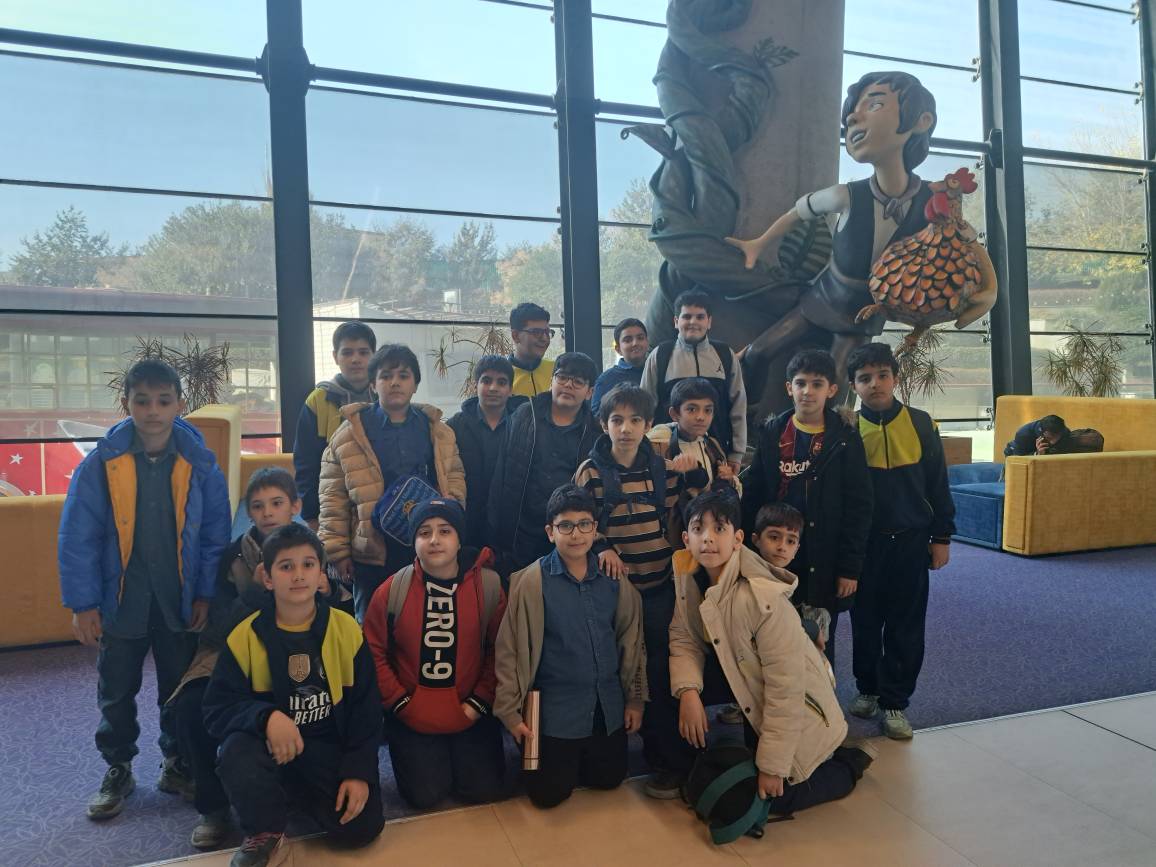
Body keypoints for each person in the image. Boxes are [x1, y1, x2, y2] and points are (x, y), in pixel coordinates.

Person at [58, 359, 231, 821]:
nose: (153, 411)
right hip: (121, 600)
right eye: (142, 401)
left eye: (163, 401)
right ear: (126, 403)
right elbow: (78, 536)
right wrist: (83, 604)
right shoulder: (102, 464)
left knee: (177, 687)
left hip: (178, 600)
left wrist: (205, 594)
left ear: (179, 404)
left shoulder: (200, 464)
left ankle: (177, 761)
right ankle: (118, 766)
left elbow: (215, 535)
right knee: (116, 689)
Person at [726, 72, 942, 402]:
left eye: (875, 104)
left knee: (838, 392)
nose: (853, 118)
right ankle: (747, 420)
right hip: (823, 298)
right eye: (851, 112)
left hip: (862, 316)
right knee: (756, 353)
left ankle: (832, 433)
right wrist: (758, 244)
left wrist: (983, 294)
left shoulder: (932, 201)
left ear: (922, 120)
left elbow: (965, 248)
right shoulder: (846, 195)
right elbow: (799, 210)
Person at [669, 490, 874, 816]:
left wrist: (773, 767)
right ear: (686, 539)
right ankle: (683, 762)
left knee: (771, 798)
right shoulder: (689, 579)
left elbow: (786, 688)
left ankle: (848, 763)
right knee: (667, 678)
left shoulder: (762, 598)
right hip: (748, 681)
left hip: (801, 705)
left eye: (719, 529)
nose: (707, 538)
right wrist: (688, 692)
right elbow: (683, 639)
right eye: (698, 529)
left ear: (737, 539)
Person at [204, 523, 384, 867]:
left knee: (362, 829)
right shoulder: (245, 636)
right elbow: (217, 709)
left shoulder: (346, 629)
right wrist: (266, 717)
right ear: (267, 577)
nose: (298, 575)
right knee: (235, 751)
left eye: (308, 565)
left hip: (325, 746)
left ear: (321, 574)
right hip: (271, 749)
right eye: (286, 566)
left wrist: (358, 772)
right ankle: (265, 830)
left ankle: (298, 797)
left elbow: (367, 709)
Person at [573, 384, 696, 799]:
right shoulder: (590, 472)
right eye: (617, 420)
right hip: (614, 593)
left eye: (635, 420)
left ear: (648, 424)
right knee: (615, 667)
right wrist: (602, 546)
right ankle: (609, 749)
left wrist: (696, 473)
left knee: (658, 670)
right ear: (603, 424)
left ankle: (666, 758)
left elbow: (688, 512)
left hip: (660, 586)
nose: (626, 429)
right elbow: (580, 522)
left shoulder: (663, 469)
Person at [494, 484, 646, 809]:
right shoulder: (531, 583)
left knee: (609, 779)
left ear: (595, 529)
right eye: (565, 525)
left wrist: (635, 700)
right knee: (548, 795)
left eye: (584, 524)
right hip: (556, 712)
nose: (576, 534)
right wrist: (509, 713)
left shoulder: (614, 578)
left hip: (605, 707)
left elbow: (632, 643)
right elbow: (509, 651)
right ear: (551, 532)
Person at [172, 467, 298, 849]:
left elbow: (332, 614)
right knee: (191, 705)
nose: (268, 513)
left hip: (294, 650)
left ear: (294, 507)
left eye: (277, 503)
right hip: (231, 651)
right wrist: (255, 593)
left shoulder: (310, 550)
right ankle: (213, 807)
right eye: (257, 506)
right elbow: (218, 630)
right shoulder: (233, 558)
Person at [362, 499, 507, 810]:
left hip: (471, 708)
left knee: (484, 789)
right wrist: (400, 702)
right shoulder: (391, 591)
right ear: (413, 542)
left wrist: (479, 701)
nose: (434, 540)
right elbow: (373, 652)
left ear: (459, 539)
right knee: (426, 795)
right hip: (411, 712)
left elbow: (500, 650)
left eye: (445, 531)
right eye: (424, 532)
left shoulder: (489, 586)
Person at [848, 342, 954, 739]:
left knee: (906, 625)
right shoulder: (847, 429)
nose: (875, 384)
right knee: (864, 621)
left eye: (882, 375)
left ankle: (895, 702)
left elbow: (938, 484)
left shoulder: (922, 423)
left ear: (895, 378)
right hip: (865, 546)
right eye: (865, 378)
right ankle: (867, 687)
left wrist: (941, 536)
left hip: (911, 541)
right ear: (854, 386)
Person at [740, 349, 873, 664]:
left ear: (832, 390)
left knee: (817, 642)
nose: (807, 391)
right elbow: (754, 494)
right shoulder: (773, 432)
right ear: (789, 388)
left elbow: (859, 506)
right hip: (775, 556)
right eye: (800, 383)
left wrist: (849, 569)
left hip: (823, 559)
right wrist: (745, 554)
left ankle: (818, 695)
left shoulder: (845, 438)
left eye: (817, 384)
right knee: (770, 636)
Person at [318, 343, 466, 621]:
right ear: (373, 385)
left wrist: (452, 513)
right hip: (372, 552)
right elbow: (332, 497)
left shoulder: (439, 430)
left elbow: (454, 476)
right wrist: (337, 551)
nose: (395, 382)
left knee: (423, 624)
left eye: (403, 375)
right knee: (372, 627)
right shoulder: (348, 434)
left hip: (426, 546)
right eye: (386, 376)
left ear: (415, 384)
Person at [487, 351, 601, 577]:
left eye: (578, 381)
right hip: (521, 531)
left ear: (589, 392)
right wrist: (494, 532)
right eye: (562, 377)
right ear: (551, 381)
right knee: (518, 589)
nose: (568, 385)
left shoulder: (595, 432)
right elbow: (501, 474)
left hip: (568, 534)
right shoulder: (524, 415)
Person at [640, 290, 747, 470]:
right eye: (687, 316)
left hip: (716, 452)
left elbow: (738, 405)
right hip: (668, 455)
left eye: (700, 317)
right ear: (676, 321)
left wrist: (736, 454)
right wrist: (645, 450)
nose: (693, 322)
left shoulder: (725, 355)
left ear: (709, 321)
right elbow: (645, 406)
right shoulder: (660, 355)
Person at [293, 321, 377, 530]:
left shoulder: (385, 399)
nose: (355, 359)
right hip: (332, 509)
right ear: (335, 357)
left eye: (363, 352)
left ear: (374, 356)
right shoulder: (317, 401)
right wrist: (311, 515)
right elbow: (306, 463)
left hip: (379, 507)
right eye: (347, 352)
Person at [447, 356, 527, 548]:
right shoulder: (454, 426)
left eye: (501, 382)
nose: (493, 388)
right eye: (486, 380)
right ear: (476, 385)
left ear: (511, 389)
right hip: (468, 522)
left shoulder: (524, 425)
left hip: (511, 523)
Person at [647, 377, 741, 527]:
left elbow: (724, 491)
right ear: (675, 414)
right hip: (668, 527)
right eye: (692, 409)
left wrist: (728, 479)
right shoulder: (658, 445)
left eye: (708, 410)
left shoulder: (712, 445)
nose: (701, 417)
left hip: (706, 527)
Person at [591, 318, 650, 416]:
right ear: (618, 349)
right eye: (628, 340)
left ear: (647, 343)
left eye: (640, 338)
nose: (635, 343)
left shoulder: (658, 370)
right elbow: (597, 416)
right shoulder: (606, 379)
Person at [508, 302, 556, 397]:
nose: (544, 338)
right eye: (536, 332)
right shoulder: (501, 377)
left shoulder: (557, 372)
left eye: (547, 332)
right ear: (515, 336)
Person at [1003, 414, 1072, 456]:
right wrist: (1037, 455)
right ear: (1041, 431)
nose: (1053, 442)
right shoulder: (1024, 434)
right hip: (1016, 452)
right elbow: (1018, 460)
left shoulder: (1065, 432)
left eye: (1056, 437)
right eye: (1049, 438)